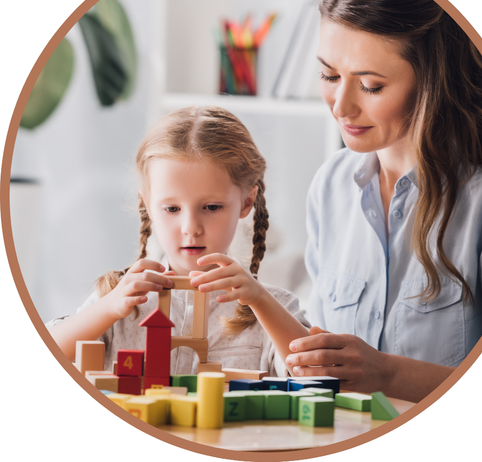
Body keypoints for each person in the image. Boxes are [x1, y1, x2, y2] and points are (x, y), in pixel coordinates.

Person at [276, 0, 482, 403]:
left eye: (370, 86)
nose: (341, 106)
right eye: (329, 75)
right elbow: (318, 352)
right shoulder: (330, 185)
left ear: (433, 82)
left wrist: (389, 375)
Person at [47, 106, 310, 376]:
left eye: (211, 207)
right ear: (147, 205)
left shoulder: (275, 307)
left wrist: (259, 300)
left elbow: (315, 375)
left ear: (246, 202)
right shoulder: (117, 299)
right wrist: (108, 308)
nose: (191, 228)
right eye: (172, 209)